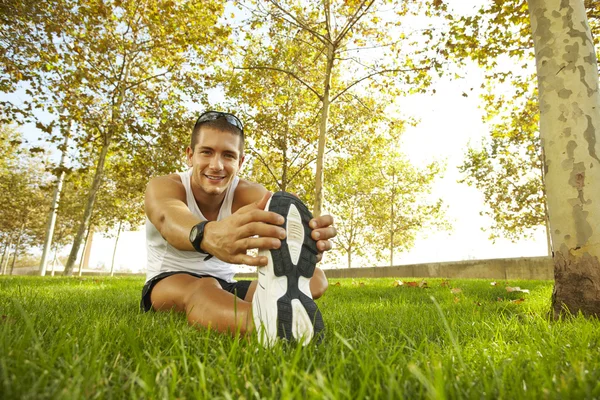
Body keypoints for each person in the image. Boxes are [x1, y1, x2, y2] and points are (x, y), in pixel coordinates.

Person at [141, 111, 336, 346]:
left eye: (228, 155)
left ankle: (271, 309)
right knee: (204, 287)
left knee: (315, 278)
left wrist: (309, 237)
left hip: (226, 285)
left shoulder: (249, 193)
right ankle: (266, 325)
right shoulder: (164, 186)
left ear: (240, 162)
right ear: (190, 155)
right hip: (168, 282)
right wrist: (207, 234)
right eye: (206, 152)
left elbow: (284, 221)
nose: (217, 165)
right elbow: (167, 219)